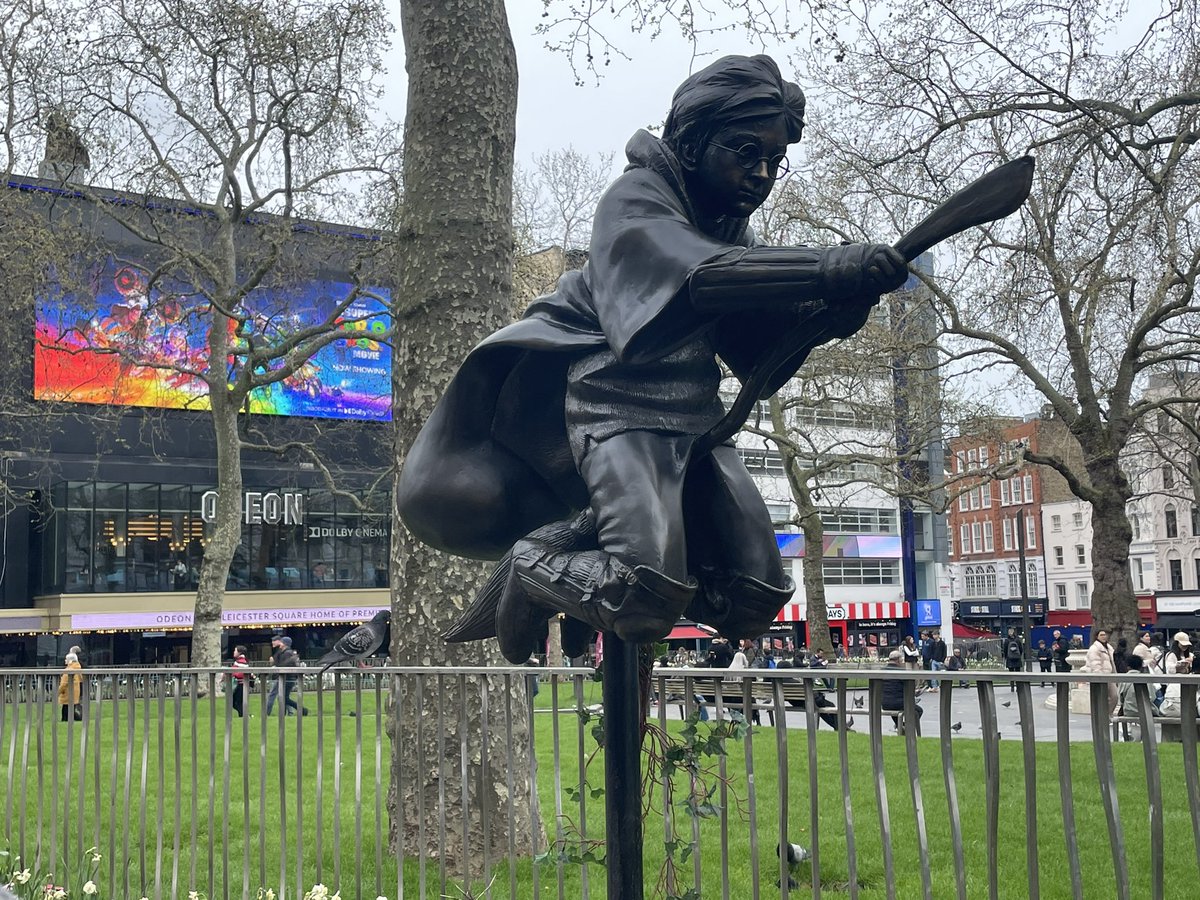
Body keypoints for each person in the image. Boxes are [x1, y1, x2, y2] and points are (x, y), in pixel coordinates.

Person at [396, 54, 908, 663]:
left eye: (774, 161)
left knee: (755, 594)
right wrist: (823, 267)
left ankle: (591, 572)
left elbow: (756, 355)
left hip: (696, 422)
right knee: (641, 593)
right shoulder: (635, 199)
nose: (761, 174)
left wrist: (829, 312)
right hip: (616, 409)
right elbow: (696, 278)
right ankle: (537, 568)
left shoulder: (731, 232)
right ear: (691, 143)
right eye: (746, 152)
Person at [881, 649, 923, 733]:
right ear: (898, 660)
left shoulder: (882, 671)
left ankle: (899, 726)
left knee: (894, 709)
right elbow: (909, 687)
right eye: (901, 660)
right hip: (899, 703)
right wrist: (916, 692)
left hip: (885, 703)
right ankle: (907, 727)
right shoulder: (901, 672)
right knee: (918, 710)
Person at [265, 635, 302, 717]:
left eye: (281, 642)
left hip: (285, 677)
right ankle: (287, 713)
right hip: (285, 677)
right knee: (283, 697)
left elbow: (284, 664)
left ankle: (267, 713)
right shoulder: (285, 652)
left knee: (278, 696)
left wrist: (276, 666)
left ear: (284, 643)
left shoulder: (286, 653)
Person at [1085, 628, 1118, 715]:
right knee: (1103, 698)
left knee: (1114, 697)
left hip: (1110, 676)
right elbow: (1095, 664)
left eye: (1105, 635)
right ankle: (1103, 716)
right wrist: (1099, 677)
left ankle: (1107, 714)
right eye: (1101, 635)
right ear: (1097, 636)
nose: (1104, 637)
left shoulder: (1109, 647)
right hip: (1102, 677)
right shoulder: (1094, 649)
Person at [58, 651, 83, 722]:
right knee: (72, 709)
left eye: (66, 659)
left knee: (66, 711)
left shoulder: (68, 670)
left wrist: (58, 692)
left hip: (67, 694)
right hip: (75, 693)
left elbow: (63, 684)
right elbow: (81, 679)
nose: (65, 660)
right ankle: (78, 719)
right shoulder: (78, 669)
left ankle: (67, 720)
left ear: (70, 661)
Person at [229, 645, 253, 717]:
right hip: (240, 684)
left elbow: (240, 673)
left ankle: (245, 716)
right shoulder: (240, 661)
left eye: (235, 650)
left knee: (237, 703)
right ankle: (245, 715)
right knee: (237, 703)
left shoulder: (241, 662)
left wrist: (232, 674)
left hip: (240, 684)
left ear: (239, 652)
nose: (234, 652)